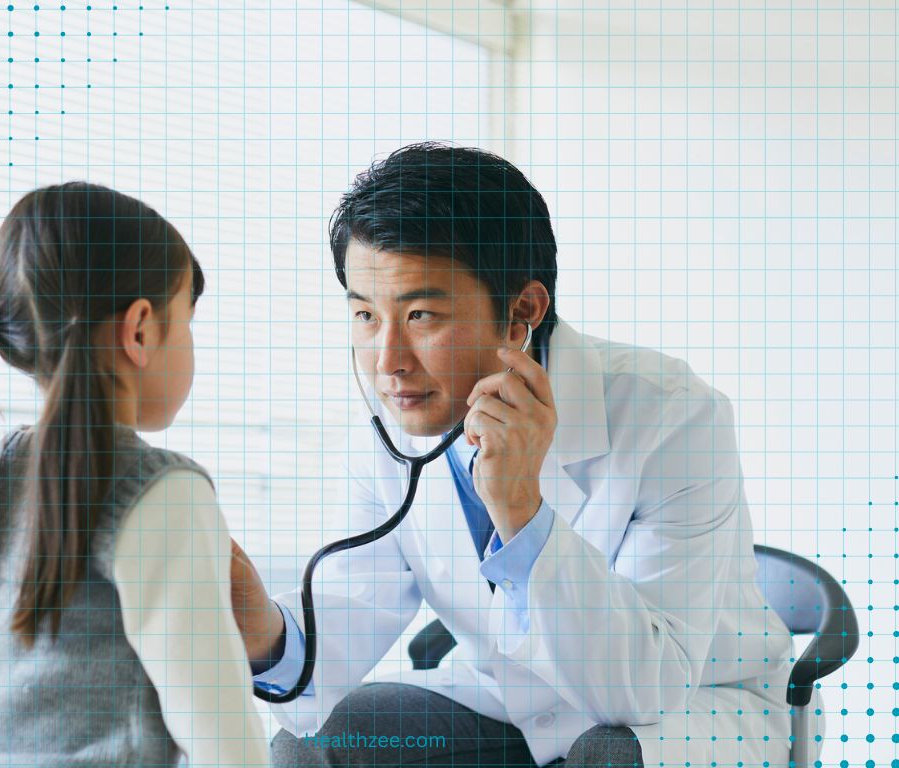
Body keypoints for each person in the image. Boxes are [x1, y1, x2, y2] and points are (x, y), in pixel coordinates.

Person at [229, 144, 806, 768]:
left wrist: (522, 510)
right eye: (366, 315)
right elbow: (349, 617)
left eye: (421, 315)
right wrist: (261, 629)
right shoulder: (385, 444)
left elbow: (647, 687)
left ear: (522, 312)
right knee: (314, 748)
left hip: (693, 710)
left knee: (607, 755)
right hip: (504, 702)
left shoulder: (674, 416)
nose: (388, 361)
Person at [0, 182, 268, 768]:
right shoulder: (161, 491)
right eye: (185, 321)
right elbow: (221, 733)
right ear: (139, 331)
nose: (189, 344)